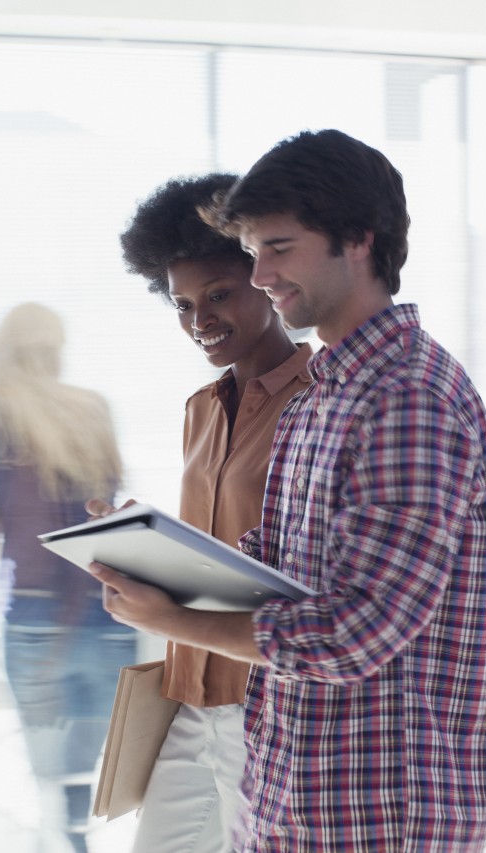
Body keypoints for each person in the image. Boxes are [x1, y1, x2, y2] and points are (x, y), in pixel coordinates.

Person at [87, 130, 486, 852]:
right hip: (295, 784)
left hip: (376, 807)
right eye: (254, 251)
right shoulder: (326, 398)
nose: (262, 272)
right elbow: (277, 585)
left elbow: (353, 632)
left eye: (277, 248)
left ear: (358, 240)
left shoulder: (408, 397)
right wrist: (151, 558)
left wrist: (174, 618)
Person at [110, 173, 312, 852]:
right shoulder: (201, 408)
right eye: (184, 304)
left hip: (267, 701)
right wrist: (142, 544)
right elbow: (215, 547)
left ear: (267, 280)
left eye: (219, 295)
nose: (200, 321)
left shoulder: (319, 402)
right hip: (191, 690)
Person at [0, 302, 136, 853]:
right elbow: (107, 512)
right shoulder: (94, 409)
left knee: (50, 773)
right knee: (91, 771)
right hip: (110, 608)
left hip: (34, 614)